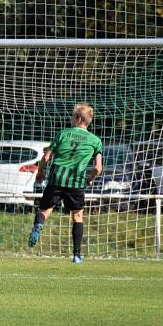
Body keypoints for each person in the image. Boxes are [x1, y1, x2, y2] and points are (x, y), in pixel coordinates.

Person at [29, 103, 103, 264]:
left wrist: (40, 172)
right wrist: (90, 179)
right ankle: (76, 255)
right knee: (77, 216)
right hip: (76, 182)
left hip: (56, 179)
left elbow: (46, 157)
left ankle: (39, 225)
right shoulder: (95, 141)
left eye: (72, 116)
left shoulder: (62, 134)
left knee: (45, 210)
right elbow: (98, 168)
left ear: (77, 118)